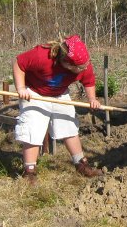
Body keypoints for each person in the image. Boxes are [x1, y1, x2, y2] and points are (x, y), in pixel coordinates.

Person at [13, 35, 103, 185]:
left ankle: (81, 165)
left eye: (86, 65)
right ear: (66, 62)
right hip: (34, 93)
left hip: (60, 93)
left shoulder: (83, 63)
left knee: (69, 127)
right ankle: (29, 172)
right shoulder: (42, 56)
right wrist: (21, 88)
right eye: (80, 68)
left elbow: (88, 80)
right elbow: (18, 63)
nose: (85, 68)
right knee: (33, 129)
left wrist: (92, 99)